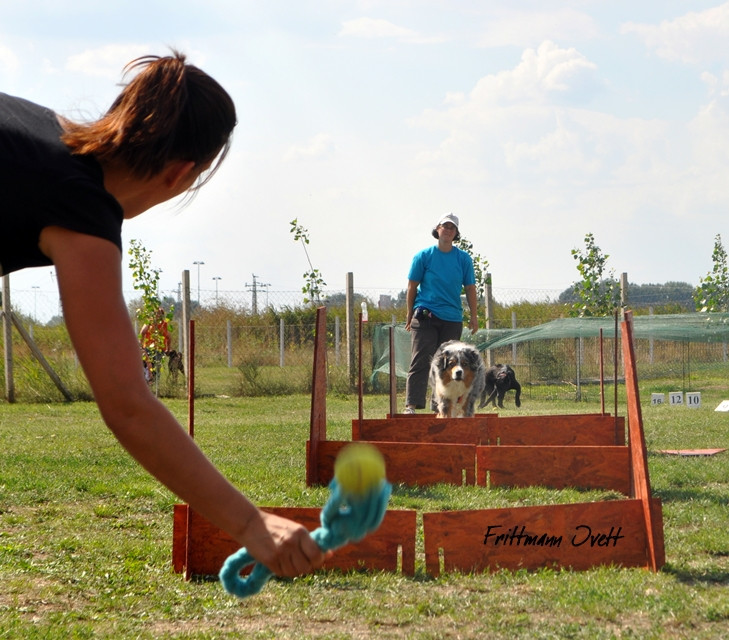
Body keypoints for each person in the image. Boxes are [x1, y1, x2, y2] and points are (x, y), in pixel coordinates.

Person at [0, 51, 329, 579]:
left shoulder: (40, 131)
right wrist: (251, 525)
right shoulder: (78, 207)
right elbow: (128, 403)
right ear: (180, 174)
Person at [403, 213, 479, 414]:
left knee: (447, 364)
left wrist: (474, 316)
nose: (448, 230)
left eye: (452, 228)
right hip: (425, 315)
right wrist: (409, 314)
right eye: (445, 226)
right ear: (437, 230)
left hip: (452, 318)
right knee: (421, 359)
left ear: (456, 234)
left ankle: (439, 405)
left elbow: (470, 288)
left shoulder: (463, 259)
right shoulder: (423, 256)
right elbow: (412, 286)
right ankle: (411, 405)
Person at [140, 307, 171, 383]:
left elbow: (168, 337)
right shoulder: (149, 322)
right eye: (156, 313)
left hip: (159, 349)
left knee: (156, 368)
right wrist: (141, 346)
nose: (158, 315)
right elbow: (142, 333)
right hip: (148, 348)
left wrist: (168, 348)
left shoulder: (164, 324)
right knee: (147, 367)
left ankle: (154, 386)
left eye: (160, 313)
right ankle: (146, 383)